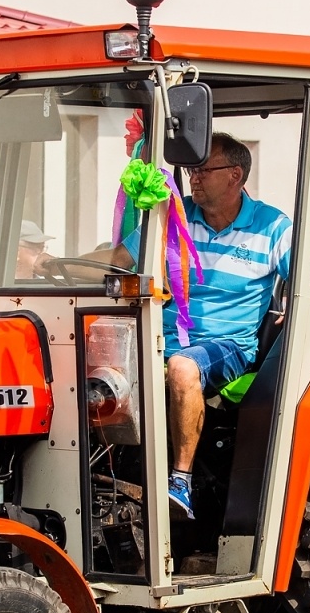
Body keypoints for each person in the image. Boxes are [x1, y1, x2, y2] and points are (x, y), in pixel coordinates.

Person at [111, 133, 290, 519]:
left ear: (235, 175)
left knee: (182, 367)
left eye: (204, 169)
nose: (193, 177)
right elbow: (120, 258)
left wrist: (294, 307)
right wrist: (53, 267)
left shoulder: (272, 227)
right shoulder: (174, 216)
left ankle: (180, 481)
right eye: (192, 169)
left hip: (226, 344)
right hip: (161, 336)